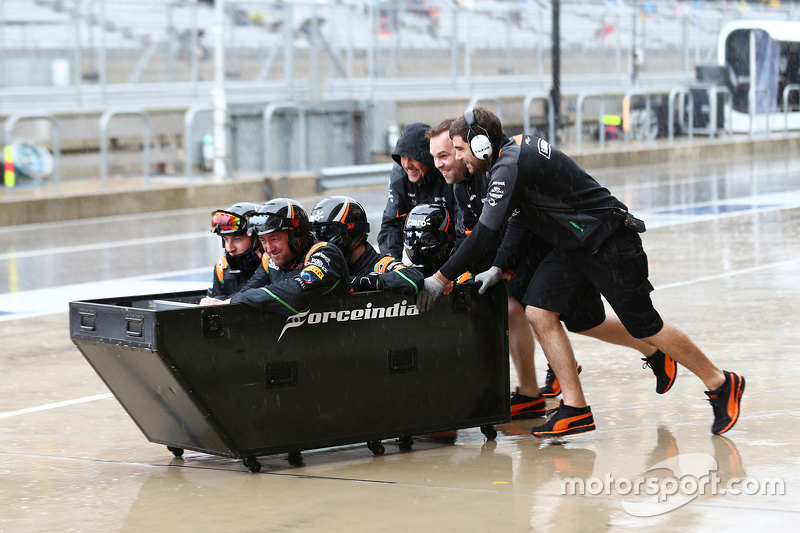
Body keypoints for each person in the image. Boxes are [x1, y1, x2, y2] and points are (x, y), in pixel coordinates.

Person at [417, 107, 744, 437]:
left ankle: (721, 382)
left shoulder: (509, 164)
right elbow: (517, 220)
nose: (459, 158)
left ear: (481, 143)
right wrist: (500, 267)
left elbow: (487, 233)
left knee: (646, 325)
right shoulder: (506, 157)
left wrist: (440, 277)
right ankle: (576, 409)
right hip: (573, 245)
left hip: (608, 239)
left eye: (459, 149)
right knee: (541, 312)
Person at [202, 197, 350, 315]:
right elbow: (244, 293)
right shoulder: (268, 260)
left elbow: (296, 293)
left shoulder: (324, 253)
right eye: (262, 241)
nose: (268, 249)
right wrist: (217, 301)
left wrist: (232, 301)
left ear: (296, 235)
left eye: (274, 239)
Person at [309, 196, 423, 294]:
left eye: (326, 233)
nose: (320, 243)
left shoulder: (379, 265)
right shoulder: (321, 264)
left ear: (350, 232)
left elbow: (413, 279)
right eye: (317, 235)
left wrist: (360, 282)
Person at [377, 122, 455, 259]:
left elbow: (466, 224)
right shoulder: (399, 174)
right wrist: (390, 263)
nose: (407, 165)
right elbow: (392, 224)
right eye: (402, 157)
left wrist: (451, 270)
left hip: (455, 248)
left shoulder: (448, 170)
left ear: (427, 156)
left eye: (412, 158)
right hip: (422, 252)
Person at [200, 202, 262, 305]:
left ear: (256, 238)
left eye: (237, 239)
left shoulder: (271, 264)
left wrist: (224, 301)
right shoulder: (222, 267)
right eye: (226, 239)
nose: (229, 248)